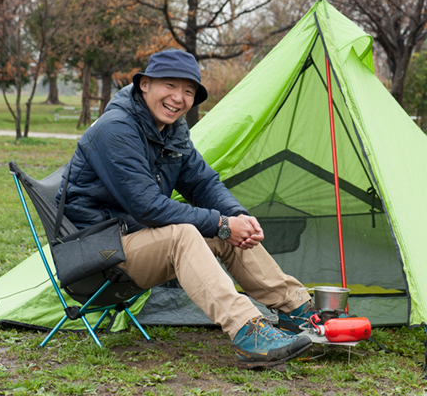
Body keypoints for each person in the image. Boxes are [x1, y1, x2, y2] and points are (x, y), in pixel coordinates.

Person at [58, 49, 315, 368]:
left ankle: (300, 312)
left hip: (132, 240)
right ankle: (248, 331)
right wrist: (222, 223)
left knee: (224, 231)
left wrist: (237, 217)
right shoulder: (116, 129)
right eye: (169, 85)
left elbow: (202, 183)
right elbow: (148, 208)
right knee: (187, 234)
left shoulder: (171, 130)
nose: (178, 98)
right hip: (98, 255)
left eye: (189, 91)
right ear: (145, 85)